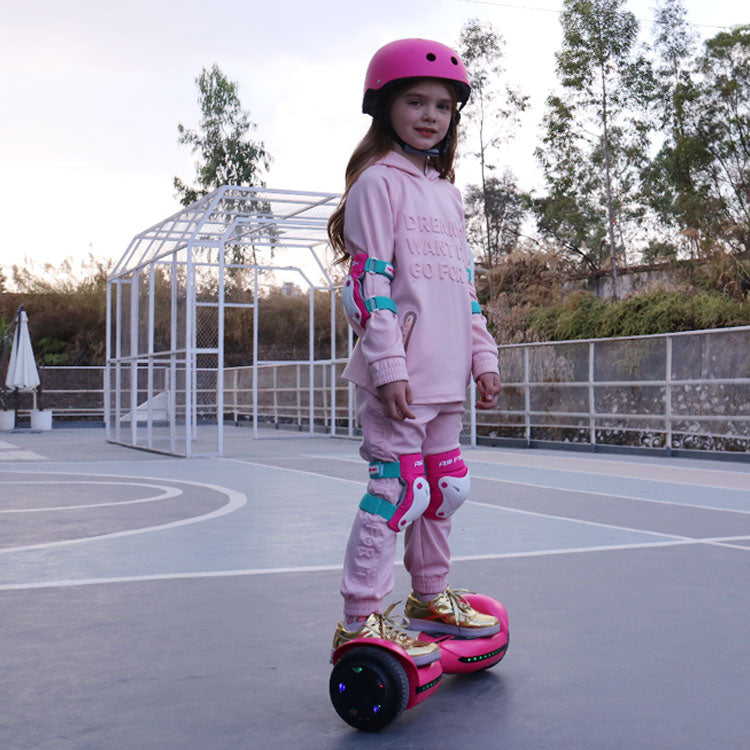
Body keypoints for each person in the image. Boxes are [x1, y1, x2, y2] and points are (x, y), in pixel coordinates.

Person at [327, 38, 502, 665]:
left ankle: (429, 597)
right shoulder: (379, 185)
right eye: (415, 102)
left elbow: (464, 290)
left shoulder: (448, 196)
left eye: (443, 107)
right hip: (398, 376)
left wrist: (483, 356)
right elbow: (368, 282)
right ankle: (360, 618)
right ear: (385, 107)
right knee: (394, 491)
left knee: (441, 489)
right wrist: (387, 365)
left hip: (445, 372)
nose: (431, 116)